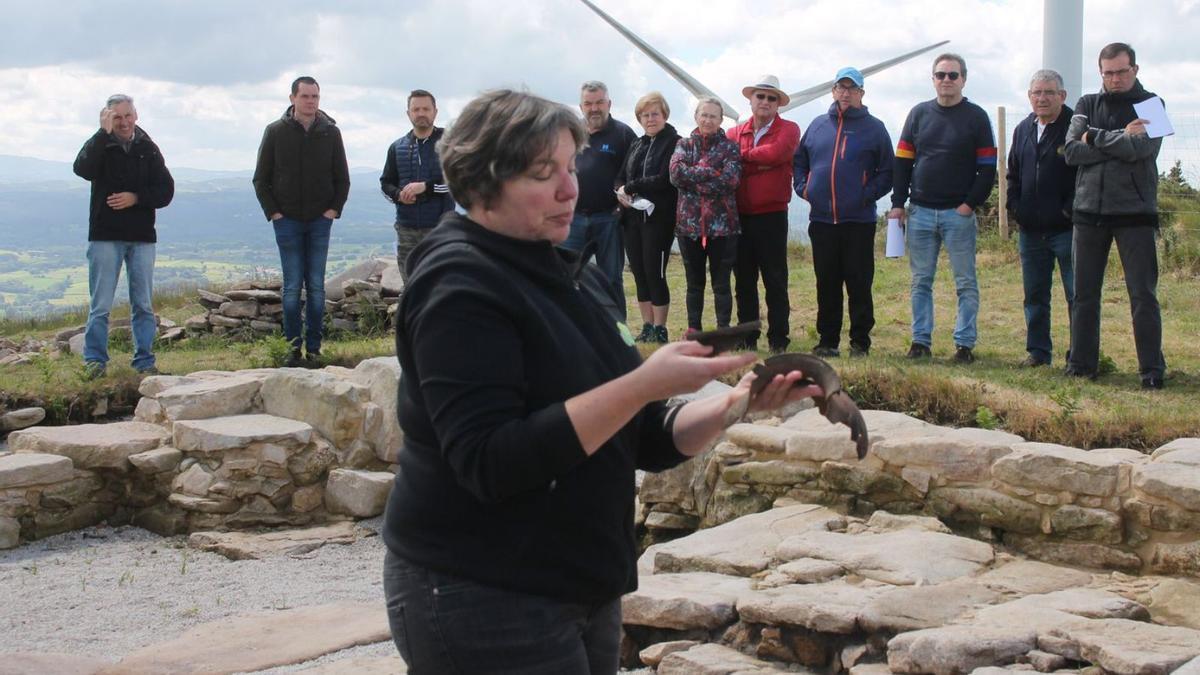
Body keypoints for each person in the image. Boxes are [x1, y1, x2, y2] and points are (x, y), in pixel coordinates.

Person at [381, 89, 820, 674]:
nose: (571, 189)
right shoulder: (459, 286)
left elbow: (636, 436)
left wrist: (734, 406)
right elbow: (490, 461)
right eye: (546, 174)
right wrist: (641, 385)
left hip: (578, 584)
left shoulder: (565, 269)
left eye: (571, 168)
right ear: (483, 182)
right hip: (484, 590)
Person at [1063, 42, 1166, 389]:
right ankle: (1081, 365)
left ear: (1135, 69)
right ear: (1101, 73)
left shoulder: (1154, 104)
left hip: (1136, 214)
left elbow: (1145, 149)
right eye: (1108, 72)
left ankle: (1151, 370)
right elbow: (1072, 151)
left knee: (1143, 295)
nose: (1115, 78)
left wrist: (1096, 137)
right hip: (1088, 212)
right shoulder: (1086, 104)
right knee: (1084, 294)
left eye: (1122, 71)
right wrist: (1121, 137)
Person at [888, 53, 997, 364]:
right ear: (932, 79)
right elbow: (903, 162)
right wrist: (899, 204)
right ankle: (920, 341)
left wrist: (968, 205)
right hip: (920, 211)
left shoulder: (976, 117)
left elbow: (987, 167)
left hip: (957, 214)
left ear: (963, 78)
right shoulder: (918, 114)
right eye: (940, 75)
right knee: (920, 280)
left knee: (965, 281)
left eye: (953, 75)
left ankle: (964, 345)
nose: (946, 80)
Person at [72, 94, 175, 380]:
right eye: (117, 117)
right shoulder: (100, 146)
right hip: (105, 236)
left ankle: (144, 361)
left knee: (142, 304)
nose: (124, 122)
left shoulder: (147, 148)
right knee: (101, 305)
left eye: (128, 115)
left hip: (142, 237)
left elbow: (166, 191)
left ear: (136, 115)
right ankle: (95, 362)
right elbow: (82, 169)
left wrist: (136, 198)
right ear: (107, 118)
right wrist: (100, 135)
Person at [794, 67, 894, 358]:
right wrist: (805, 188)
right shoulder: (816, 126)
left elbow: (887, 172)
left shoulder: (875, 128)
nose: (846, 93)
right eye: (841, 87)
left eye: (853, 89)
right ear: (833, 91)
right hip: (822, 220)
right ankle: (827, 340)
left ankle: (860, 342)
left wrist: (865, 195)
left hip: (858, 221)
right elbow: (799, 162)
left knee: (859, 282)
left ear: (862, 93)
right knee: (826, 281)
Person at [252, 76, 350, 368]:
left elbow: (342, 178)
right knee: (293, 287)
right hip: (287, 220)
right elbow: (261, 178)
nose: (311, 102)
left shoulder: (330, 133)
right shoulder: (275, 132)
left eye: (315, 97)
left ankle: (315, 350)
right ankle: (292, 350)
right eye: (306, 96)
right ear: (292, 98)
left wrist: (333, 209)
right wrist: (275, 213)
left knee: (317, 288)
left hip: (320, 220)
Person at [1007, 69, 1076, 368]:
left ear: (1062, 95)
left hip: (1068, 229)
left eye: (1049, 92)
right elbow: (1013, 173)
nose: (1043, 98)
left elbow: (1084, 176)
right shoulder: (1023, 129)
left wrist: (1068, 210)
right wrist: (1015, 207)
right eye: (1037, 93)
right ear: (1029, 96)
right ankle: (1038, 352)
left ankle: (1080, 354)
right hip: (1031, 230)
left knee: (1077, 295)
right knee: (1035, 296)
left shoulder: (1075, 126)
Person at [728, 75, 801, 352]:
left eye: (772, 98)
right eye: (761, 96)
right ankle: (747, 337)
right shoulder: (734, 133)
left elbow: (776, 153)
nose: (766, 102)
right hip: (740, 215)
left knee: (775, 280)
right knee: (744, 281)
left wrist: (744, 158)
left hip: (772, 215)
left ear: (778, 104)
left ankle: (778, 338)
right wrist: (761, 163)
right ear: (750, 99)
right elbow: (747, 160)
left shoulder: (790, 129)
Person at [561, 81, 638, 320]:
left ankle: (618, 333)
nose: (594, 108)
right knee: (565, 277)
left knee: (611, 279)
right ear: (581, 106)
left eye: (599, 103)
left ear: (609, 104)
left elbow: (635, 173)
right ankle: (570, 330)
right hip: (572, 218)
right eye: (588, 103)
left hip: (609, 219)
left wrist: (624, 203)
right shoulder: (570, 133)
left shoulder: (623, 134)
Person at [670, 97, 742, 336]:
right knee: (694, 283)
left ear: (721, 120)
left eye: (713, 116)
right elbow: (675, 175)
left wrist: (694, 178)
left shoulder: (730, 147)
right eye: (704, 114)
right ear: (696, 117)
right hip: (688, 226)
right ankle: (694, 330)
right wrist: (710, 172)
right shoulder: (683, 144)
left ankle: (723, 330)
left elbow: (730, 181)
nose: (708, 119)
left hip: (723, 227)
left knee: (721, 284)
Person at [617, 92, 680, 343]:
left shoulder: (675, 142)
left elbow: (665, 179)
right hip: (632, 219)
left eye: (655, 114)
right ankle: (646, 327)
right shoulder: (637, 144)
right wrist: (621, 189)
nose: (650, 119)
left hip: (659, 220)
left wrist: (630, 187)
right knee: (639, 273)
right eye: (645, 115)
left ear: (664, 115)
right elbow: (621, 174)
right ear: (639, 118)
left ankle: (660, 327)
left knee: (656, 273)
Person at [380, 89, 455, 285]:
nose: (421, 113)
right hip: (406, 230)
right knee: (411, 288)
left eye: (426, 109)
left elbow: (460, 182)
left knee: (441, 287)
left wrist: (426, 187)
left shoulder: (450, 144)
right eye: (416, 109)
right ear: (408, 113)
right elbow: (386, 182)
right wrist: (398, 194)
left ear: (435, 112)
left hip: (440, 228)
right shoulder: (397, 147)